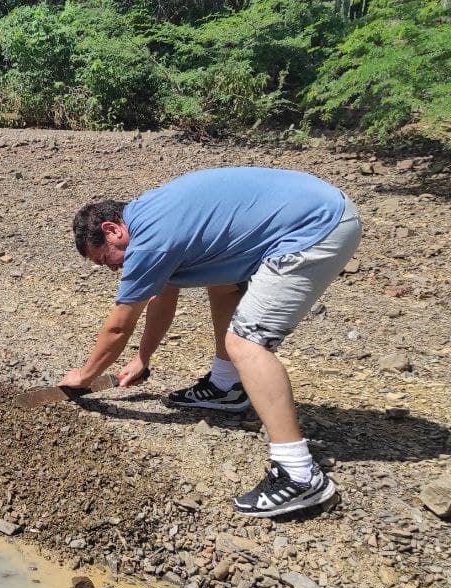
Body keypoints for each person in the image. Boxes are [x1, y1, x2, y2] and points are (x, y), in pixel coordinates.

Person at [61, 167, 362, 517]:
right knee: (222, 284)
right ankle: (226, 387)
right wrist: (143, 358)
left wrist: (84, 376)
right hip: (320, 209)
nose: (113, 270)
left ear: (112, 231)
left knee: (246, 343)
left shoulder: (150, 239)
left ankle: (299, 475)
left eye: (105, 260)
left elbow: (117, 328)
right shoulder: (150, 218)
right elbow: (162, 295)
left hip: (315, 228)